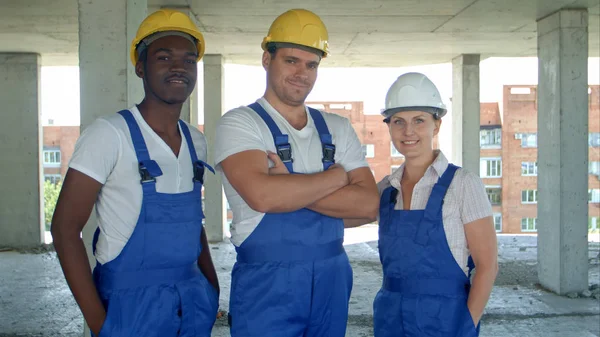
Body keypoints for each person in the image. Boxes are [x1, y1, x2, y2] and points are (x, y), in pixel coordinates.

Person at [51, 9, 219, 337]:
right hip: (129, 309)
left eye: (188, 60)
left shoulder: (195, 141)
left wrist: (211, 290)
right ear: (140, 67)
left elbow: (192, 223)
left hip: (192, 303)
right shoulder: (109, 134)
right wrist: (102, 325)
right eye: (164, 56)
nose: (178, 67)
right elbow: (64, 228)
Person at [213, 8, 379, 337]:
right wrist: (336, 177)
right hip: (267, 280)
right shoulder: (241, 124)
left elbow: (369, 205)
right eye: (291, 60)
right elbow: (262, 196)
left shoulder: (337, 127)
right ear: (267, 59)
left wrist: (287, 190)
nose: (302, 73)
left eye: (311, 64)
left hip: (332, 276)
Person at [348, 72, 498, 336]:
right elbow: (341, 217)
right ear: (389, 126)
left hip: (447, 322)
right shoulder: (386, 189)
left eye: (419, 120)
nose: (408, 131)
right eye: (398, 122)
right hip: (391, 319)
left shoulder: (463, 184)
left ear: (436, 125)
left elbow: (487, 267)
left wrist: (465, 328)